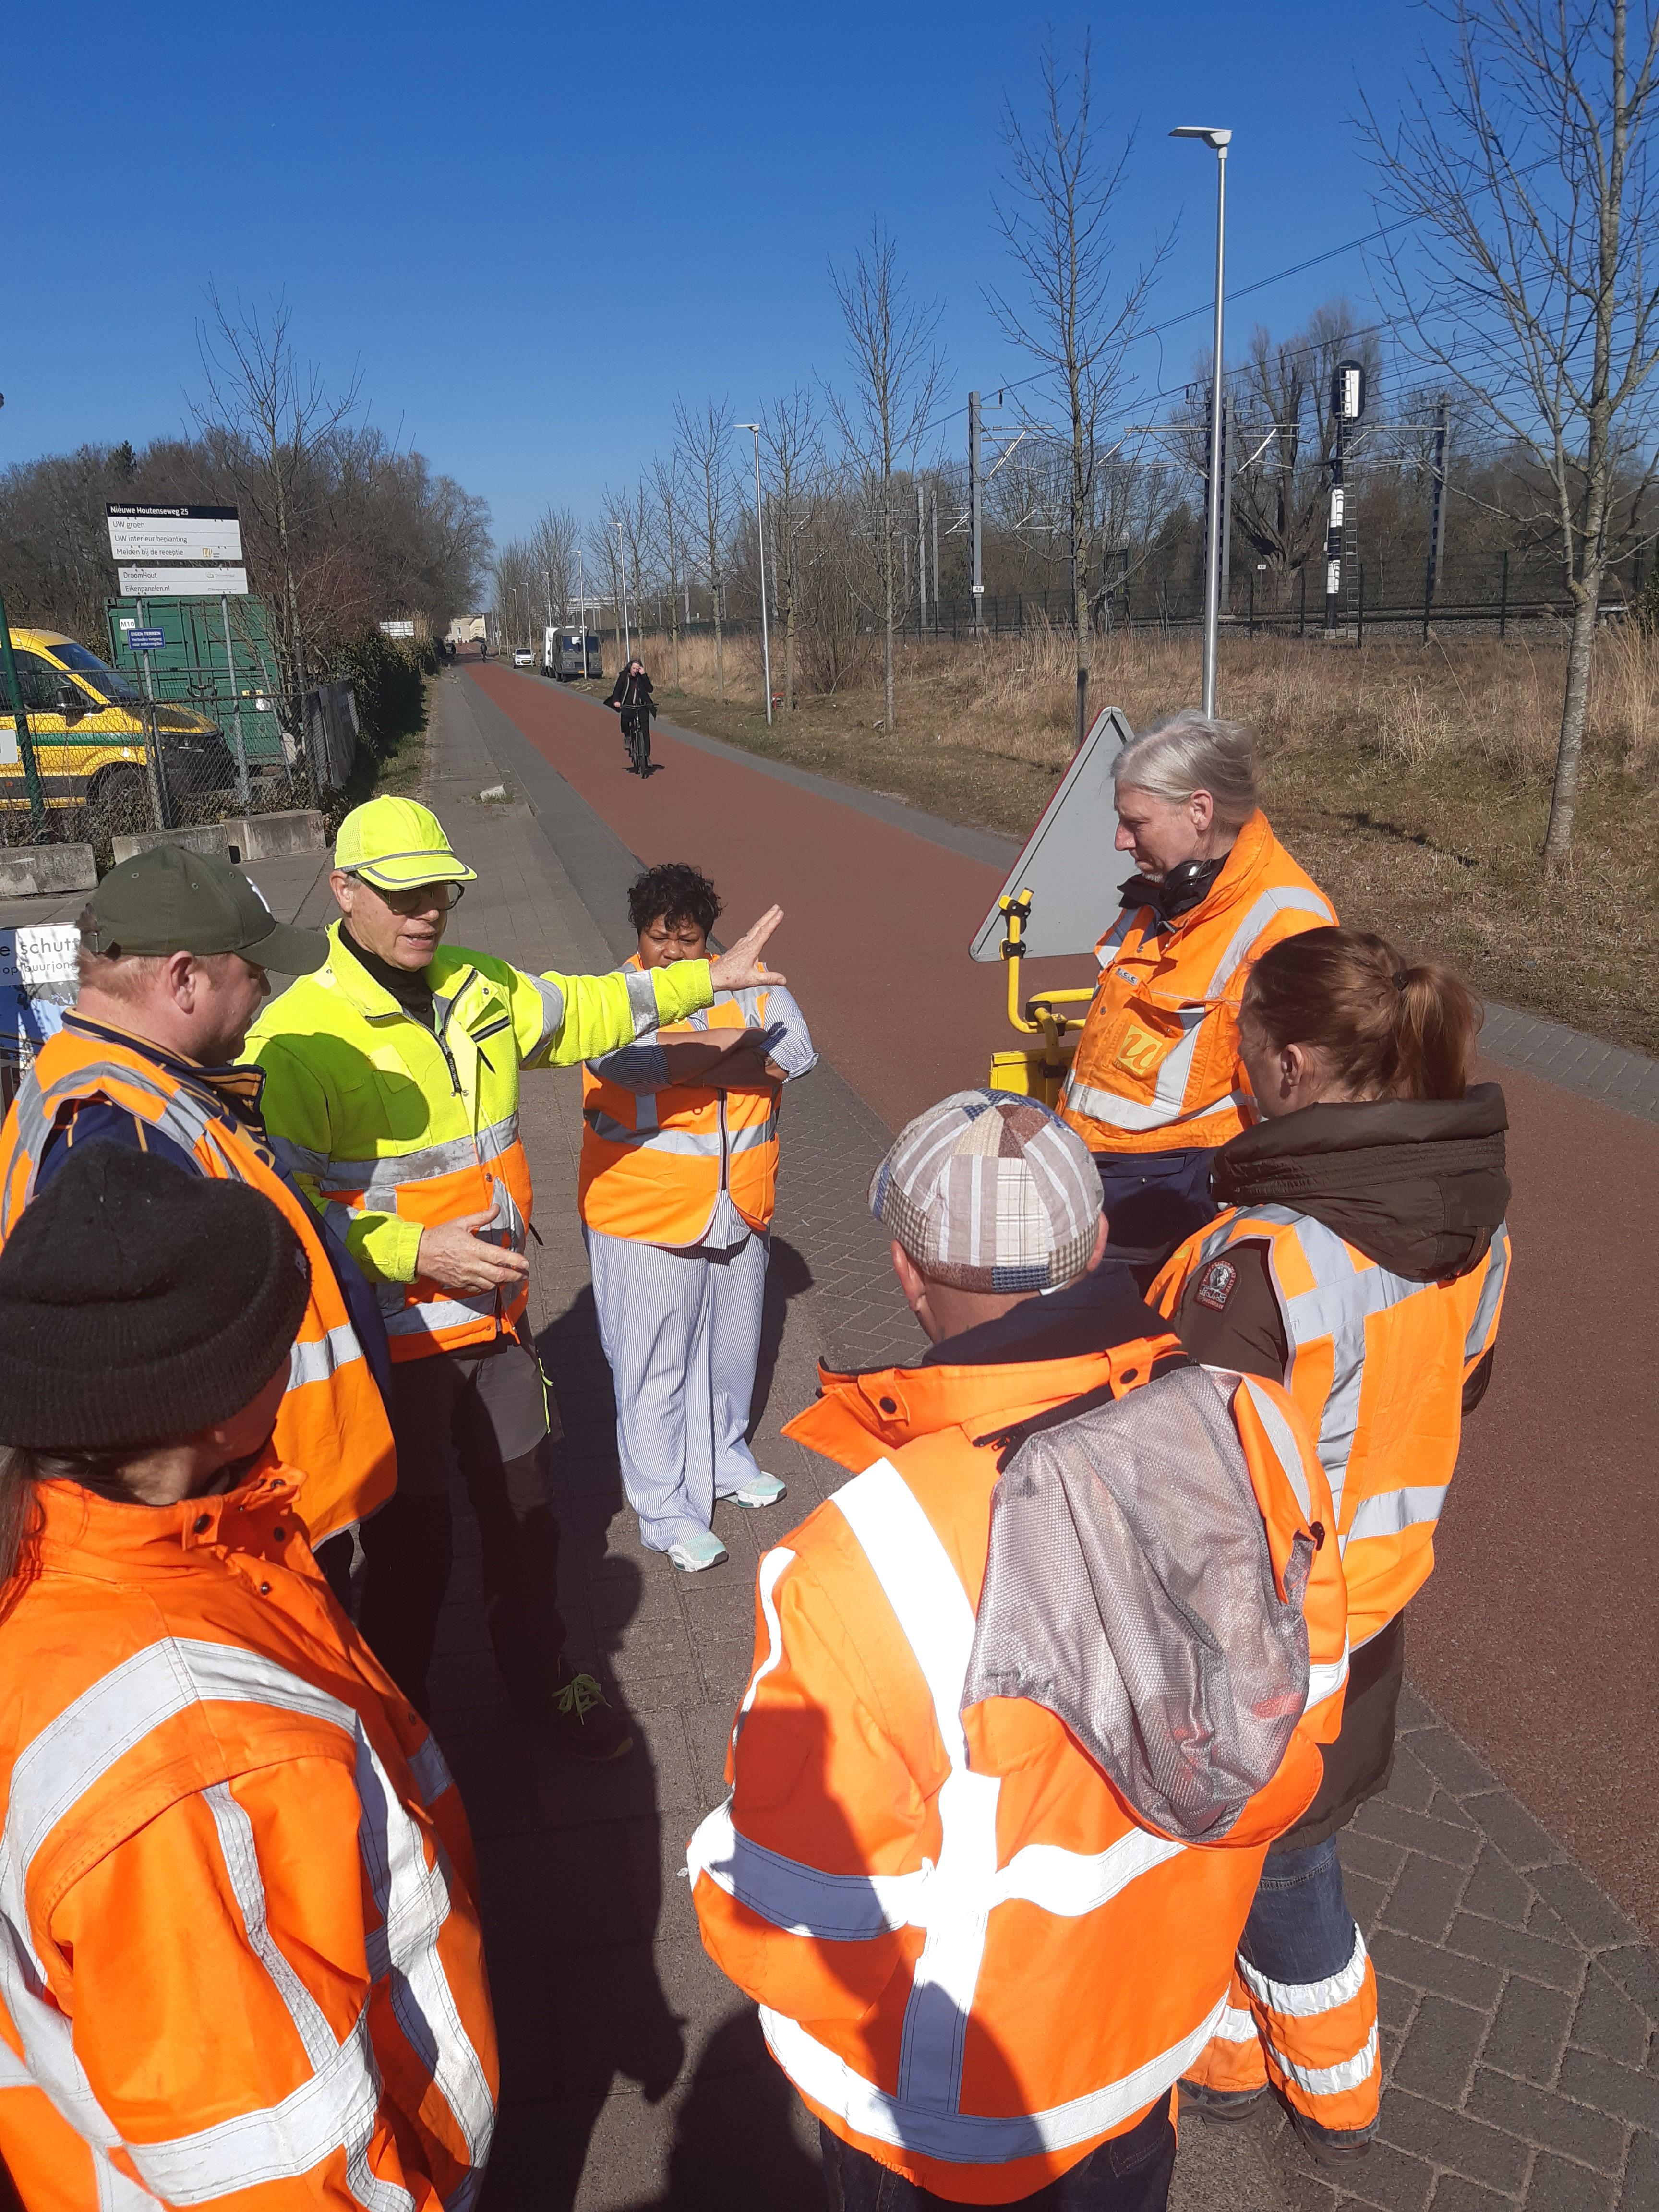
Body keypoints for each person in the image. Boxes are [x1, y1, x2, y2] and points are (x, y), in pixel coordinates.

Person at [689, 1091, 1351, 2210]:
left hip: (951, 2116)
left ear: (903, 1267)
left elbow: (796, 1905)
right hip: (1149, 2047)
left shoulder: (860, 1558)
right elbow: (1303, 1721)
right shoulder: (1260, 1423)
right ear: (1094, 1244)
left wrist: (711, 1854)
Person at [0, 1143, 497, 2210]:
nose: (305, 1364)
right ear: (216, 1408)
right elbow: (271, 2168)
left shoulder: (110, 1545)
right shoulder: (194, 1756)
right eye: (287, 1345)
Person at [247, 795, 785, 1757]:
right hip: (393, 1338)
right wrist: (417, 1253)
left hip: (498, 1328)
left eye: (443, 892)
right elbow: (282, 1213)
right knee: (411, 1550)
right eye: (404, 894)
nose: (428, 912)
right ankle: (401, 1726)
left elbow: (587, 1009)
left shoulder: (476, 984)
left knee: (527, 1523)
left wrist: (701, 979)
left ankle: (542, 1682)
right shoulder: (295, 1038)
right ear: (342, 891)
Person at [1151, 927, 1511, 2163]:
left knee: (1269, 1868)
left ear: (1289, 1062)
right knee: (1288, 1854)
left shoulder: (1257, 1266)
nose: (1229, 1061)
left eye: (1238, 1041)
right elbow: (1447, 1389)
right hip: (1371, 1609)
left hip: (1261, 1635)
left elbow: (1187, 1491)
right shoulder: (1467, 1226)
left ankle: (1328, 2089)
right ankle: (1241, 2052)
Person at [0, 844, 394, 1575]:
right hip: (235, 1531)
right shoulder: (118, 1134)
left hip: (252, 1506)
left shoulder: (109, 1081)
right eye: (252, 972)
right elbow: (134, 1408)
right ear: (185, 979)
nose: (267, 990)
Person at [580, 862, 816, 1571]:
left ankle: (722, 1460)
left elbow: (799, 1053)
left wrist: (693, 1060)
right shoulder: (612, 998)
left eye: (690, 940)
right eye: (661, 940)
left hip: (738, 1205)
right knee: (653, 1367)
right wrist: (743, 1056)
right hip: (643, 1211)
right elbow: (631, 1068)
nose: (677, 956)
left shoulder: (751, 980)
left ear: (709, 936)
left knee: (732, 1353)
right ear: (639, 934)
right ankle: (665, 1512)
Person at [1058, 711, 1335, 1265]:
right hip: (1102, 1181)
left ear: (1200, 811)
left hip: (1179, 1207)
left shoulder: (1287, 925)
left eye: (1135, 823)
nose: (1120, 840)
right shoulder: (1167, 893)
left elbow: (1301, 1108)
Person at [607, 656, 656, 776]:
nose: (635, 671)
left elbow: (650, 689)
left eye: (638, 669)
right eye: (634, 668)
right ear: (630, 668)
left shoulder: (641, 678)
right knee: (625, 719)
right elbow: (617, 690)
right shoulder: (625, 676)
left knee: (645, 732)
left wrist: (644, 675)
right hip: (628, 705)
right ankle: (628, 737)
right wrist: (616, 701)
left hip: (642, 706)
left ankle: (646, 756)